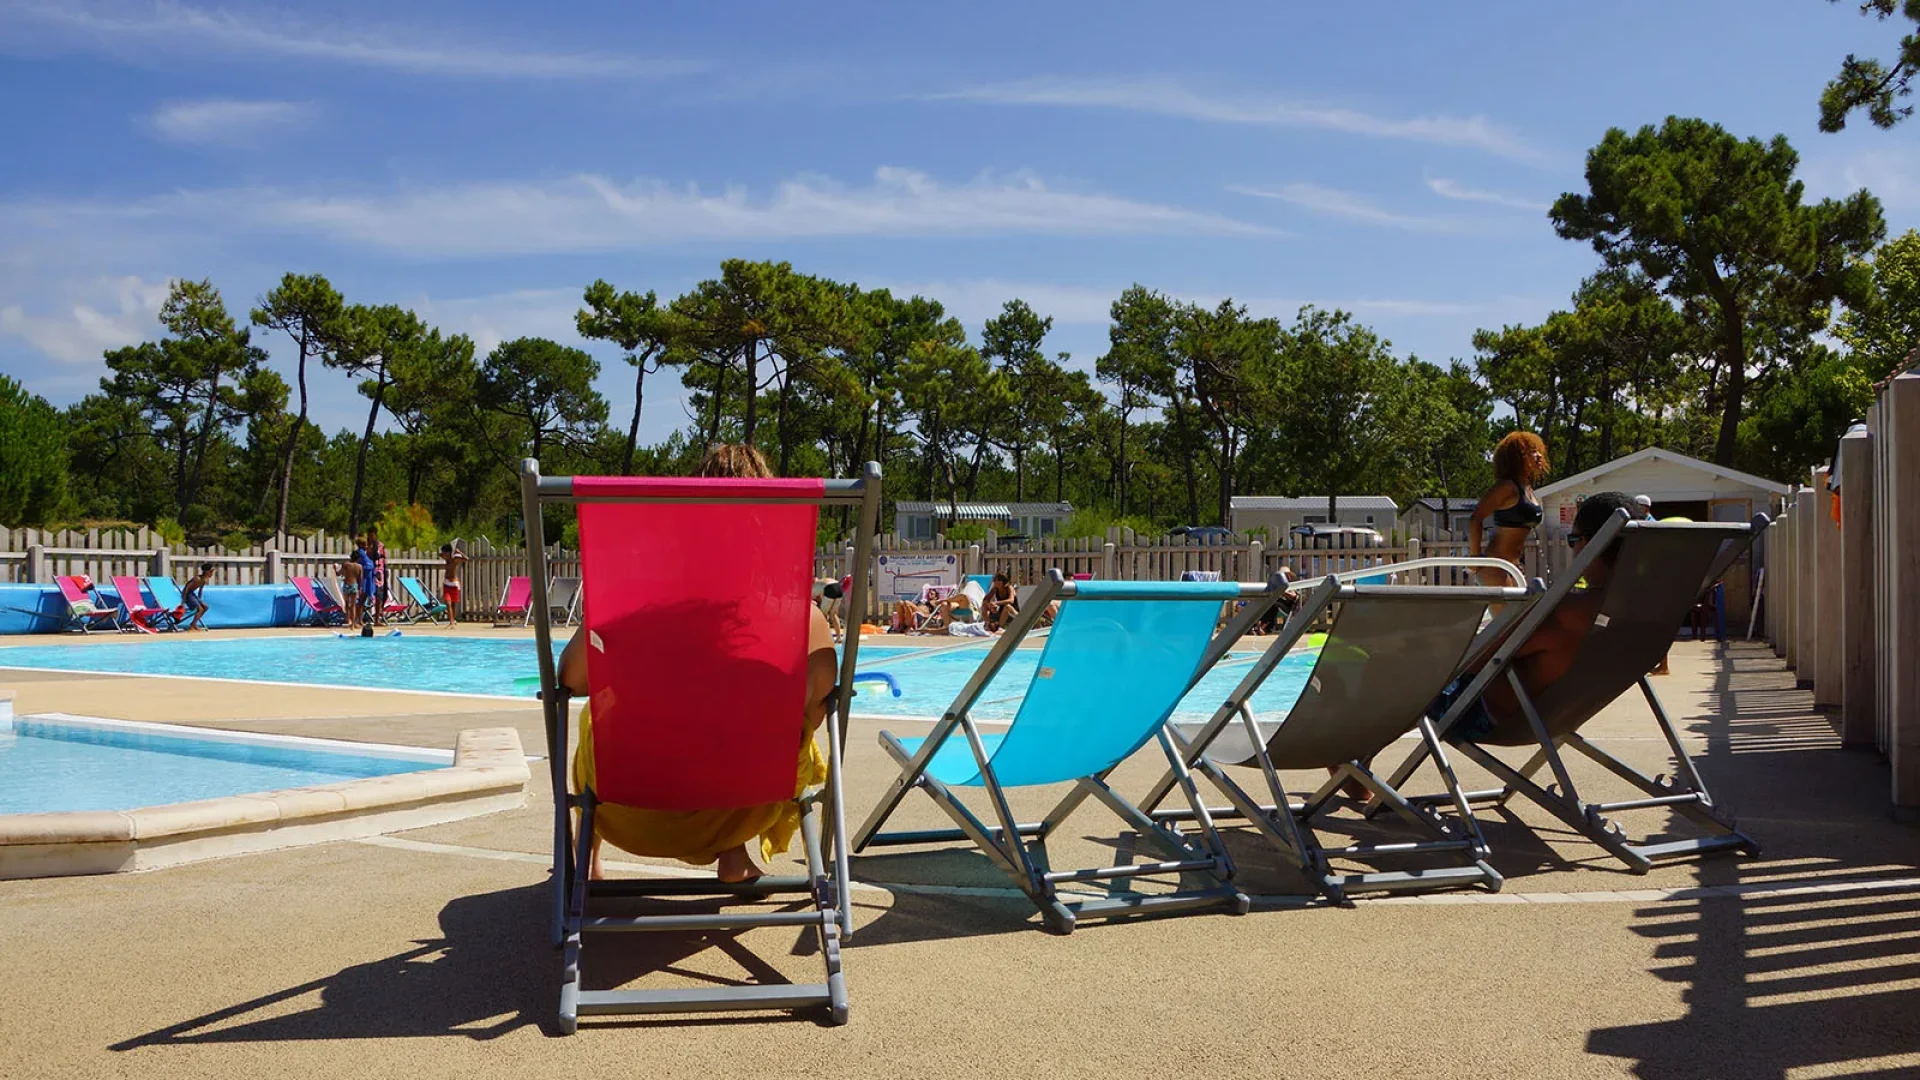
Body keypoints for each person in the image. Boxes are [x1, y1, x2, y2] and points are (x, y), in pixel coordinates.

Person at [566, 441, 834, 884]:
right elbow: (819, 710)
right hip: (745, 807)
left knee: (593, 717)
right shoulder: (801, 621)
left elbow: (571, 680)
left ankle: (587, 861)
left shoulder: (629, 610)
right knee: (771, 725)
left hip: (631, 808)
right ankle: (734, 852)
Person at [1431, 492, 1639, 741]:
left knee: (1388, 684)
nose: (1573, 548)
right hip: (1557, 717)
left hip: (1481, 714)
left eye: (1572, 539)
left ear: (1588, 543)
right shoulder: (1639, 610)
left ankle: (1370, 776)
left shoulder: (1565, 611)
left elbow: (1471, 660)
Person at [1470, 431, 1550, 586]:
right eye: (1532, 451)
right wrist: (1475, 558)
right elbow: (1476, 518)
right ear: (1517, 457)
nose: (1539, 455)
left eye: (1539, 450)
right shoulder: (1507, 487)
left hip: (1513, 567)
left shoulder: (1527, 488)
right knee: (1510, 611)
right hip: (1495, 567)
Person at [440, 542, 468, 626]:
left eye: (446, 552)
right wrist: (445, 553)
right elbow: (440, 554)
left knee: (453, 604)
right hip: (446, 584)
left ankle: (453, 619)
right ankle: (451, 621)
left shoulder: (454, 560)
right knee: (448, 603)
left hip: (454, 584)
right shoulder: (446, 559)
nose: (444, 554)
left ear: (449, 552)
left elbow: (466, 559)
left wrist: (459, 552)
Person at [179, 564, 214, 631]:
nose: (212, 574)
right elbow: (187, 587)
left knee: (206, 607)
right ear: (207, 572)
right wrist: (183, 601)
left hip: (192, 594)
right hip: (187, 594)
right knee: (200, 609)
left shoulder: (204, 580)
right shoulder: (197, 578)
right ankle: (193, 625)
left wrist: (199, 600)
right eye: (211, 572)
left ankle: (193, 623)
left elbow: (200, 591)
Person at [366, 527, 389, 626]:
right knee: (363, 595)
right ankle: (357, 619)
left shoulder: (380, 545)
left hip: (379, 573)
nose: (370, 537)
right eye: (369, 535)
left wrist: (385, 570)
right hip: (368, 572)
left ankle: (376, 620)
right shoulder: (366, 546)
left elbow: (382, 558)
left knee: (379, 596)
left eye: (372, 535)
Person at [352, 541, 378, 626]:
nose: (366, 546)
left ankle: (360, 620)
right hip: (364, 580)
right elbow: (365, 566)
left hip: (368, 580)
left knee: (362, 601)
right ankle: (356, 620)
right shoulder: (360, 553)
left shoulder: (365, 554)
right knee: (360, 601)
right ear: (360, 545)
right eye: (365, 544)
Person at [338, 556, 364, 631]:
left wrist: (334, 568)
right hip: (354, 586)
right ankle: (352, 625)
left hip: (346, 585)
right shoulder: (359, 566)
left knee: (346, 603)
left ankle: (348, 619)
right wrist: (360, 589)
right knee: (353, 606)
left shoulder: (346, 564)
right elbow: (360, 579)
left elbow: (339, 573)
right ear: (358, 558)